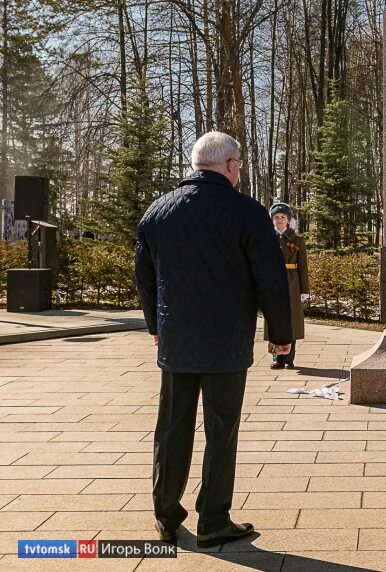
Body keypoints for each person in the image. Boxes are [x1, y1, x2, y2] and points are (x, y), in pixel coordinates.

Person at [135, 131, 293, 548]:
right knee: (221, 429)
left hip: (177, 340)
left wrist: (156, 326)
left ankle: (166, 515)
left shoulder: (158, 211)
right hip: (226, 341)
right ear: (227, 165)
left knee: (171, 427)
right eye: (238, 163)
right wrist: (280, 335)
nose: (239, 170)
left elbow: (145, 276)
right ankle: (214, 520)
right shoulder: (246, 212)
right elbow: (271, 280)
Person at [265, 202, 309, 370]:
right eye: (276, 217)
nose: (279, 220)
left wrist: (304, 290)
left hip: (292, 283)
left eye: (283, 217)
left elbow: (303, 266)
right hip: (272, 283)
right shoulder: (267, 238)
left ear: (288, 219)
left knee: (292, 321)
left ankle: (289, 358)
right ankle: (277, 357)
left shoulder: (297, 240)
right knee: (275, 318)